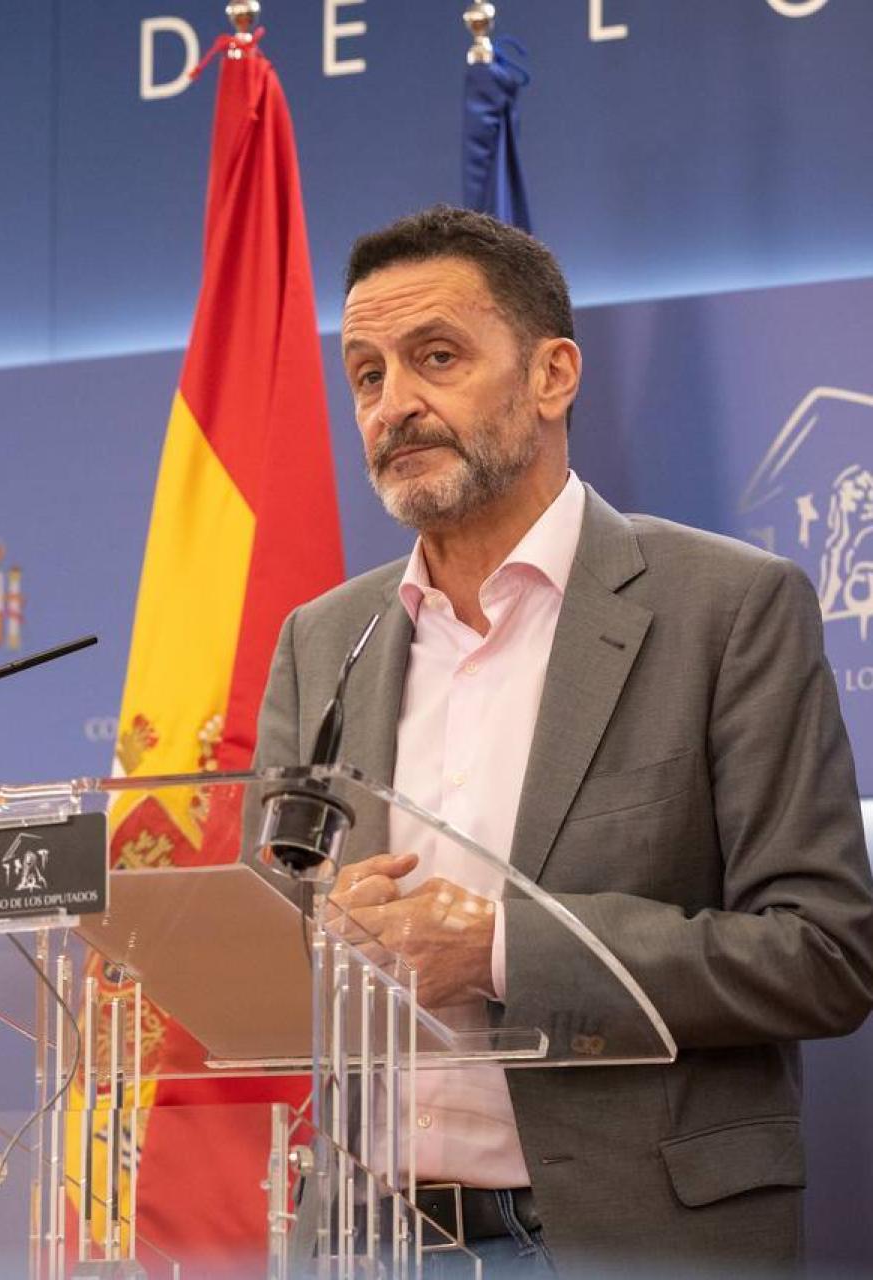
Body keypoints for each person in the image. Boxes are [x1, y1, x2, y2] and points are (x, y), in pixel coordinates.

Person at [252, 205, 873, 1275]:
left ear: (551, 375)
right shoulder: (322, 638)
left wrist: (497, 947)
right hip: (365, 1238)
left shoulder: (725, 608)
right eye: (363, 374)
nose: (392, 404)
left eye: (433, 357)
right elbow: (271, 934)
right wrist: (307, 940)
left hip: (628, 1234)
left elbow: (820, 952)